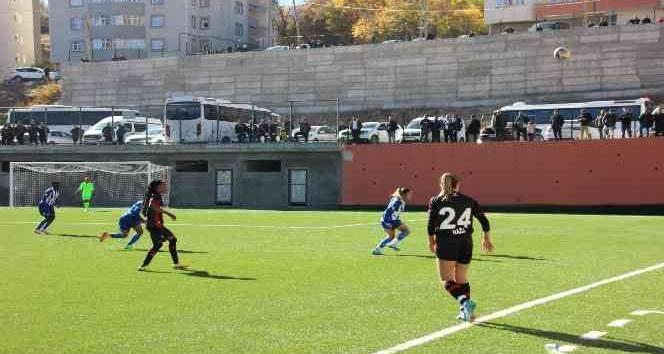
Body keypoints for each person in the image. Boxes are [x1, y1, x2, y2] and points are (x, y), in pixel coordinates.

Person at [427, 173, 493, 322]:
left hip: (446, 242)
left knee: (446, 279)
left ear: (442, 185)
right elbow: (484, 220)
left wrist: (430, 240)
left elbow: (431, 224)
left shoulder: (436, 201)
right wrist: (486, 238)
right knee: (462, 278)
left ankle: (465, 302)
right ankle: (466, 312)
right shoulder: (469, 200)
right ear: (458, 185)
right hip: (466, 242)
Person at [138, 180, 188, 271]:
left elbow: (144, 210)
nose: (166, 187)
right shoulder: (155, 196)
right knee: (158, 245)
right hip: (155, 226)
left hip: (156, 225)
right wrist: (169, 214)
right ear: (158, 187)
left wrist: (147, 216)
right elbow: (153, 205)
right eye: (163, 185)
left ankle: (176, 264)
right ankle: (143, 266)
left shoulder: (155, 195)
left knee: (171, 240)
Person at [371, 187, 412, 255]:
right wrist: (387, 222)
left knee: (391, 237)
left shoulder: (400, 200)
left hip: (390, 220)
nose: (410, 195)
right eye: (409, 194)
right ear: (404, 194)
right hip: (390, 220)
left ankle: (377, 249)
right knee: (406, 231)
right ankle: (393, 243)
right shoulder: (397, 201)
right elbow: (388, 211)